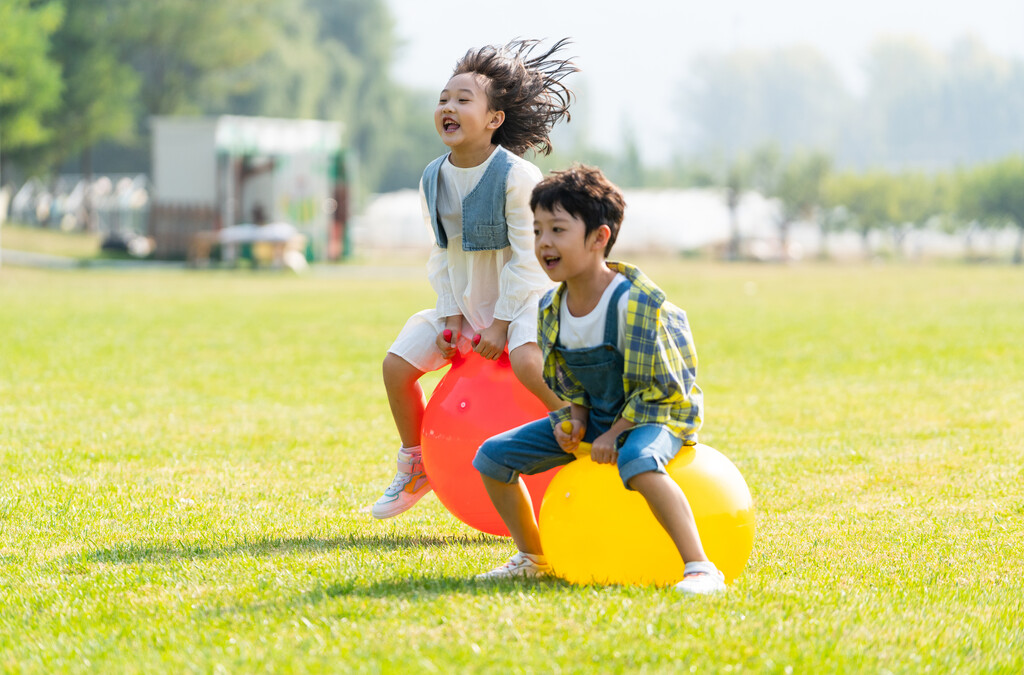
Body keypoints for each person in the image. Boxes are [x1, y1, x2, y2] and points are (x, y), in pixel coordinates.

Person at [472, 165, 727, 595]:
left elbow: (665, 387)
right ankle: (534, 557)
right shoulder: (553, 306)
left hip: (657, 415)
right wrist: (576, 419)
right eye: (536, 231)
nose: (544, 243)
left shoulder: (636, 304)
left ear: (599, 238)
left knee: (639, 461)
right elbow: (571, 382)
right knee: (493, 458)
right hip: (601, 417)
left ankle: (701, 566)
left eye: (557, 229)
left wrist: (615, 433)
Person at [371, 39, 578, 519]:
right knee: (396, 366)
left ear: (494, 120)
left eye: (464, 99)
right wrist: (448, 318)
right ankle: (416, 463)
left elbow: (530, 260)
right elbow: (442, 252)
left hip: (526, 305)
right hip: (467, 308)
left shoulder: (516, 176)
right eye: (444, 98)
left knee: (528, 365)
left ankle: (581, 432)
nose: (448, 106)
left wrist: (502, 325)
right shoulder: (433, 177)